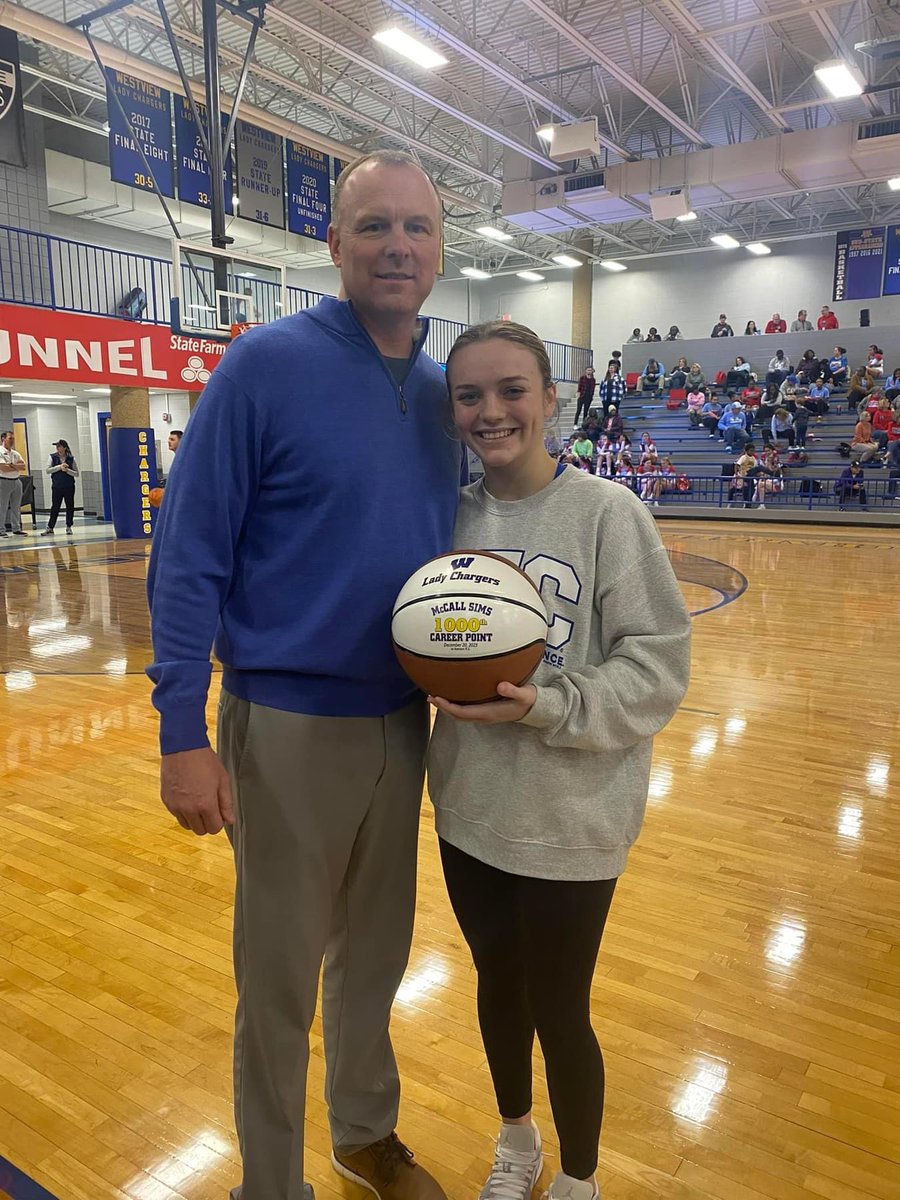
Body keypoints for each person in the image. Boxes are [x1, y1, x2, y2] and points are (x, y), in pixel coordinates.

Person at [146, 150, 460, 1200]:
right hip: (283, 724)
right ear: (334, 244)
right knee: (276, 983)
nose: (397, 247)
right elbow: (186, 553)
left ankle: (364, 1134)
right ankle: (269, 1183)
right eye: (374, 226)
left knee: (374, 961)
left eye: (416, 227)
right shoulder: (263, 365)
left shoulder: (439, 394)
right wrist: (180, 734)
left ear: (441, 247)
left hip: (403, 722)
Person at [429, 319, 689, 1200]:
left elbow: (657, 669)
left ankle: (579, 1178)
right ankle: (516, 1141)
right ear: (452, 410)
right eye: (471, 395)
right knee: (497, 984)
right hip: (467, 807)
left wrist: (545, 704)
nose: (492, 411)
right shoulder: (451, 515)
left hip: (571, 814)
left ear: (551, 400)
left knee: (560, 1007)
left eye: (512, 391)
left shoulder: (610, 513)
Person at [41, 439, 79, 537]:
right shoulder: (52, 457)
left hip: (69, 486)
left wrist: (67, 470)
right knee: (55, 507)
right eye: (57, 447)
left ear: (64, 447)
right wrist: (59, 467)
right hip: (57, 487)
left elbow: (76, 473)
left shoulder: (71, 459)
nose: (58, 448)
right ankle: (50, 527)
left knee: (70, 506)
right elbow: (48, 470)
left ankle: (69, 526)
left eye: (59, 446)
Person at [0, 429, 27, 538]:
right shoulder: (0, 451)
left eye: (13, 439)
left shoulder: (15, 453)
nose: (12, 441)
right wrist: (16, 466)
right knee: (3, 507)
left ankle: (16, 528)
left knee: (16, 506)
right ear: (3, 439)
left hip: (17, 481)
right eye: (10, 438)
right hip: (4, 481)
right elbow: (3, 468)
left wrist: (11, 464)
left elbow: (23, 467)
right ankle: (1, 529)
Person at [728, 443, 758, 508]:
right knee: (733, 489)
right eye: (751, 450)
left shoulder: (754, 459)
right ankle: (730, 502)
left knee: (750, 490)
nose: (752, 452)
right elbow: (736, 465)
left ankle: (747, 503)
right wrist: (736, 474)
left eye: (753, 451)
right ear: (746, 451)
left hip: (749, 477)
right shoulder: (743, 457)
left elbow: (755, 468)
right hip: (741, 476)